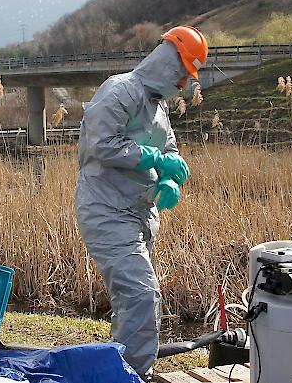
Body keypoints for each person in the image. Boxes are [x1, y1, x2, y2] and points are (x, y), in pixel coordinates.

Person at [75, 25, 208, 380]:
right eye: (183, 74)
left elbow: (171, 151)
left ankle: (122, 370)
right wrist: (154, 159)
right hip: (106, 210)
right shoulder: (119, 91)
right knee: (140, 296)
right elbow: (99, 145)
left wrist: (169, 175)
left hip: (139, 215)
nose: (184, 84)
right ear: (169, 62)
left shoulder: (158, 108)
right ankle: (130, 375)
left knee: (132, 300)